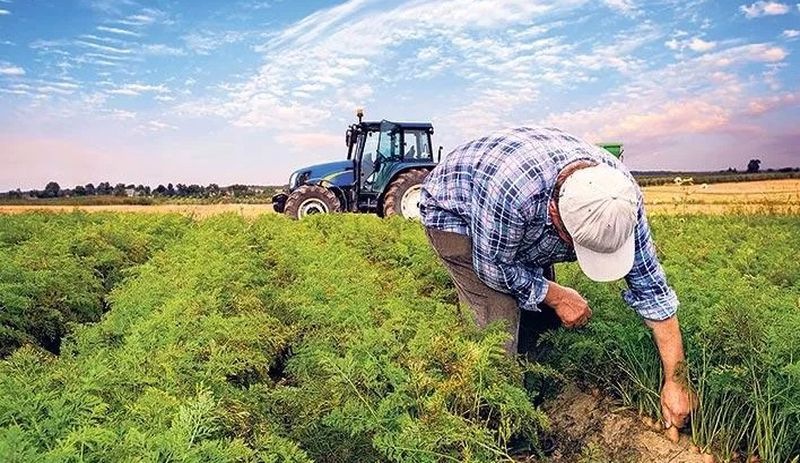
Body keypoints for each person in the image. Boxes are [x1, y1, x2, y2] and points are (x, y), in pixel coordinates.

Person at [419, 126, 693, 429]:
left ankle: (536, 399)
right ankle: (497, 425)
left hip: (516, 217)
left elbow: (651, 289)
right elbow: (494, 268)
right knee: (497, 323)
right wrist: (559, 295)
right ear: (554, 214)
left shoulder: (621, 197)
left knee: (541, 319)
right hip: (457, 214)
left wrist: (676, 379)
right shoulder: (513, 194)